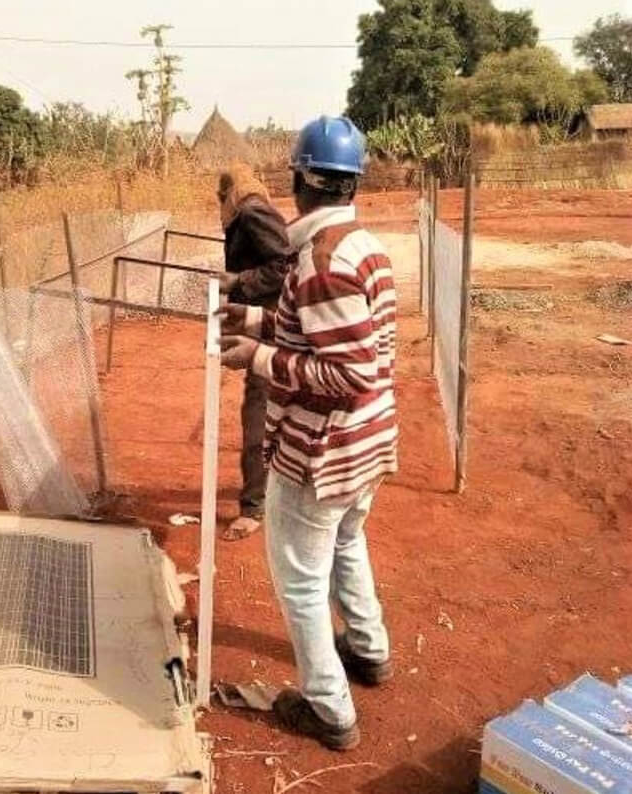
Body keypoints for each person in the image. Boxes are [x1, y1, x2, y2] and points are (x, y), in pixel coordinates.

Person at [218, 117, 397, 751]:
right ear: (352, 183)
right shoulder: (360, 245)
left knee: (299, 579)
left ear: (298, 179)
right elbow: (321, 329)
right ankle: (369, 650)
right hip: (364, 445)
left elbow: (345, 372)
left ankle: (329, 708)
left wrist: (258, 358)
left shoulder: (321, 262)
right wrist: (259, 319)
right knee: (348, 544)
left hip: (322, 452)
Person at [216, 162, 294, 541]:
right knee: (265, 405)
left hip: (273, 323)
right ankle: (268, 493)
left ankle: (255, 506)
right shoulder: (249, 211)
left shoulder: (250, 212)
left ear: (227, 193)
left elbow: (284, 264)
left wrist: (238, 281)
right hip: (262, 319)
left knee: (258, 412)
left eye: (219, 196)